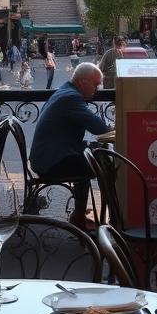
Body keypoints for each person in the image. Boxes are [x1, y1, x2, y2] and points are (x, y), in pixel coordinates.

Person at [28, 63, 108, 230]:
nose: (98, 89)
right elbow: (99, 128)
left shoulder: (65, 91)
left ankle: (79, 215)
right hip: (51, 162)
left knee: (94, 158)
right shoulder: (71, 98)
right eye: (96, 84)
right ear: (83, 81)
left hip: (47, 156)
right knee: (103, 164)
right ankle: (99, 218)